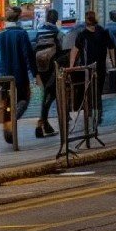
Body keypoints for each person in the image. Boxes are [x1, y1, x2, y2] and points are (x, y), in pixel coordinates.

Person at [0, 7, 35, 144]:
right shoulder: (22, 34)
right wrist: (35, 73)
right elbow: (28, 54)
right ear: (19, 19)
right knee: (24, 99)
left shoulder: (0, 35)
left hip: (2, 75)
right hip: (19, 75)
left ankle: (7, 126)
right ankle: (12, 119)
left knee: (6, 102)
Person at [71, 11, 115, 125]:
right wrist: (113, 63)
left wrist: (71, 66)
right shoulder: (103, 32)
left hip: (88, 67)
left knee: (89, 90)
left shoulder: (83, 34)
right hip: (100, 67)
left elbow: (75, 50)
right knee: (98, 91)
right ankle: (98, 114)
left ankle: (91, 113)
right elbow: (111, 48)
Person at [32, 9, 64, 138]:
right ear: (56, 19)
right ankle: (42, 123)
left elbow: (34, 45)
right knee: (51, 94)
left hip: (40, 66)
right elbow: (61, 50)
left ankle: (44, 125)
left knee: (46, 93)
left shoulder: (40, 30)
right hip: (52, 66)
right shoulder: (57, 32)